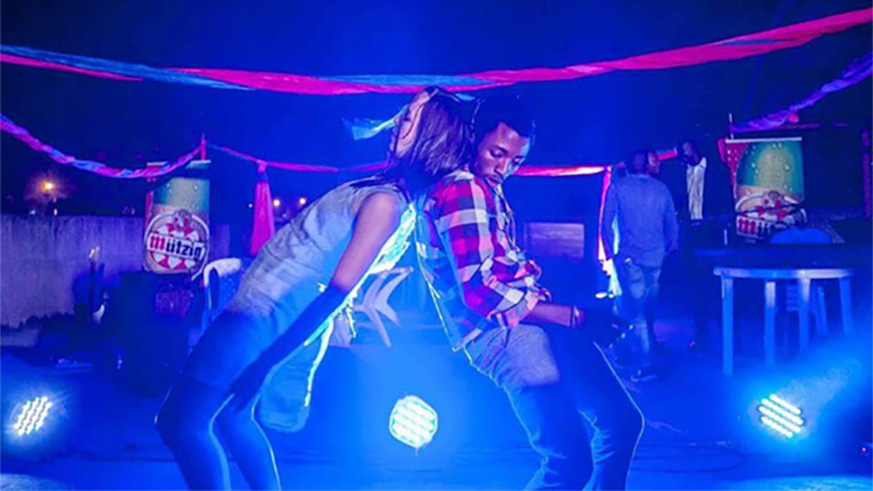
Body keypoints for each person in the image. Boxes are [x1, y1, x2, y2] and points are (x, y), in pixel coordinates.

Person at [155, 87, 474, 490]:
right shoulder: (382, 192)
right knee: (232, 419)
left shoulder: (387, 205)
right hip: (265, 306)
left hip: (265, 314)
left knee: (181, 423)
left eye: (409, 120)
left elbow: (337, 292)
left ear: (431, 138)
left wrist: (268, 362)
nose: (397, 124)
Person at [415, 94, 644, 490]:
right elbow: (480, 291)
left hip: (536, 317)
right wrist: (575, 317)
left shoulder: (487, 188)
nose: (503, 167)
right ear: (473, 138)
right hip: (502, 334)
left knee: (620, 423)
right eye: (496, 153)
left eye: (515, 161)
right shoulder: (462, 190)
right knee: (569, 461)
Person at [601, 149, 679, 382]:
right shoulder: (661, 188)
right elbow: (672, 226)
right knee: (643, 307)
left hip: (629, 258)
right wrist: (667, 249)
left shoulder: (619, 187)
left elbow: (605, 222)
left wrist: (610, 254)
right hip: (655, 258)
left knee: (633, 311)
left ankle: (645, 364)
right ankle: (625, 352)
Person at [662, 139, 733, 350]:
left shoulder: (717, 171)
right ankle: (702, 336)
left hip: (711, 232)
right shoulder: (680, 173)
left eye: (685, 147)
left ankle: (728, 335)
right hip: (690, 232)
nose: (682, 153)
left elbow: (726, 202)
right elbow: (677, 201)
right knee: (694, 285)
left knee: (716, 284)